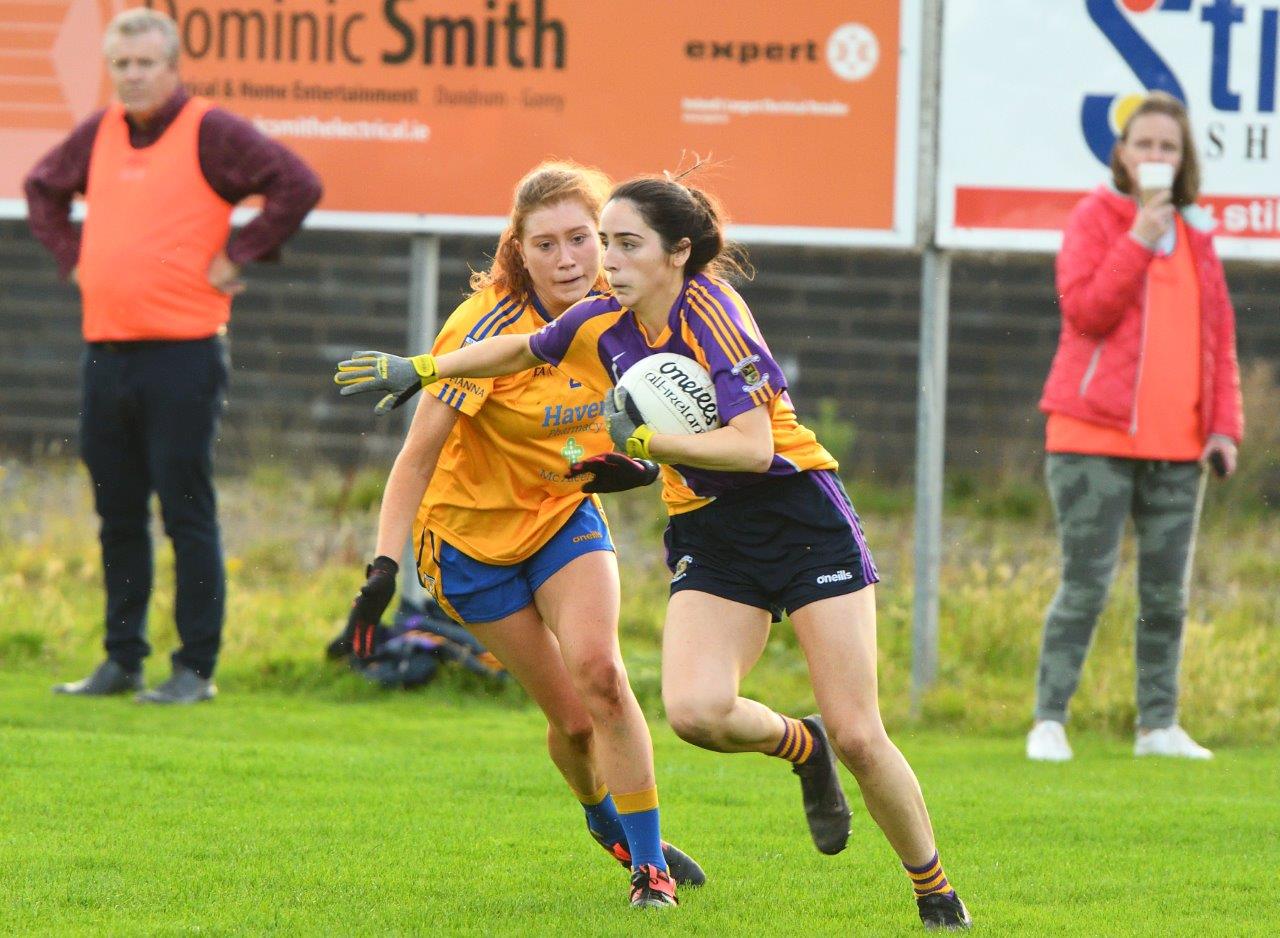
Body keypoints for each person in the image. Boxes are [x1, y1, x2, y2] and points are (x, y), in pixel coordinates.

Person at [337, 173, 972, 931]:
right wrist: (426, 368)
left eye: (617, 242)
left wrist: (645, 446)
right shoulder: (605, 317)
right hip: (707, 529)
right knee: (696, 713)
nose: (600, 259)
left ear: (677, 253)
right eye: (598, 242)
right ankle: (800, 743)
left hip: (798, 514)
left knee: (863, 733)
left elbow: (752, 445)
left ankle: (935, 893)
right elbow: (522, 350)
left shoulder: (719, 315)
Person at [335, 162, 703, 909]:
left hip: (562, 517)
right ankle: (605, 819)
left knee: (601, 673)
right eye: (545, 245)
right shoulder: (484, 327)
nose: (567, 259)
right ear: (518, 249)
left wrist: (630, 463)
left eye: (581, 239)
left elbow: (623, 425)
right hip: (470, 546)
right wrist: (382, 568)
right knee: (571, 724)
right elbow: (416, 459)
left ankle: (648, 868)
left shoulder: (623, 311)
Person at [25, 8, 321, 703]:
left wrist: (239, 254)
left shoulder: (209, 131)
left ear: (172, 67)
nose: (131, 75)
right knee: (117, 512)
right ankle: (121, 658)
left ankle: (195, 667)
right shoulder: (97, 133)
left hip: (184, 355)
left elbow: (296, 184)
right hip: (106, 352)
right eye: (120, 65)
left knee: (186, 511)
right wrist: (74, 259)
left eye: (144, 64)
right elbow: (42, 190)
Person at [1028, 92, 1243, 762]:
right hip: (1091, 439)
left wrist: (1224, 427)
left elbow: (1220, 342)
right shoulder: (1097, 219)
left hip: (1179, 448)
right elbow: (1086, 311)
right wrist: (1138, 240)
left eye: (1168, 147)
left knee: (1165, 595)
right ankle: (1049, 720)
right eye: (1145, 144)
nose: (1156, 156)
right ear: (1122, 154)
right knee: (1086, 585)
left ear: (1183, 162)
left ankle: (1158, 726)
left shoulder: (1199, 238)